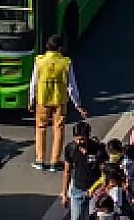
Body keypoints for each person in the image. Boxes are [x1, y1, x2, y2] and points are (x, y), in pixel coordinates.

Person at [30, 34, 89, 172]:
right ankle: (54, 161)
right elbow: (71, 86)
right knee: (58, 129)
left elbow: (34, 82)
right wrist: (77, 104)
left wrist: (31, 99)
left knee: (41, 128)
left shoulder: (39, 61)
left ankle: (40, 160)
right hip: (59, 101)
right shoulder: (65, 63)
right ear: (60, 47)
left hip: (42, 100)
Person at [61, 121, 106, 220]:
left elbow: (104, 173)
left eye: (82, 139)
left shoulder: (99, 150)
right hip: (77, 190)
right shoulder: (70, 149)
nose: (79, 142)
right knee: (76, 218)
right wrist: (64, 194)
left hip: (95, 192)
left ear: (88, 136)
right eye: (76, 139)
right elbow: (67, 171)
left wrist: (97, 189)